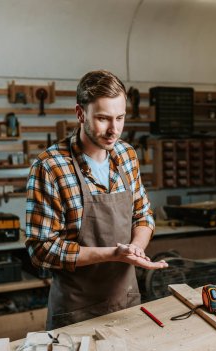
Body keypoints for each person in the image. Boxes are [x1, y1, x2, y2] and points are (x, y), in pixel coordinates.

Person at [26, 70, 168, 330]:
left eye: (120, 118)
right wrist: (114, 253)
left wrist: (135, 249)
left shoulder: (126, 155)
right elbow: (41, 250)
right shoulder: (50, 167)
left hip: (126, 302)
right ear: (80, 113)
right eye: (103, 118)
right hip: (75, 312)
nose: (114, 130)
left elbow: (143, 215)